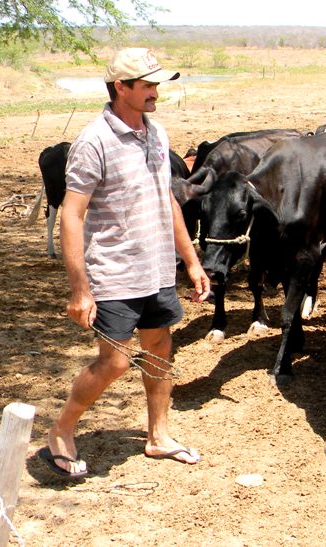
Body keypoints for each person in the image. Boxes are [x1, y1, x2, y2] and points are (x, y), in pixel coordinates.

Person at [38, 47, 210, 479]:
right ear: (121, 87)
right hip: (113, 272)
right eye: (148, 85)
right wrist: (80, 288)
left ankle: (158, 436)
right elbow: (72, 215)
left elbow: (167, 198)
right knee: (114, 361)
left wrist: (190, 261)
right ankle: (60, 432)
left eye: (157, 84)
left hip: (155, 269)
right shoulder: (94, 140)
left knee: (159, 349)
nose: (156, 92)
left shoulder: (156, 133)